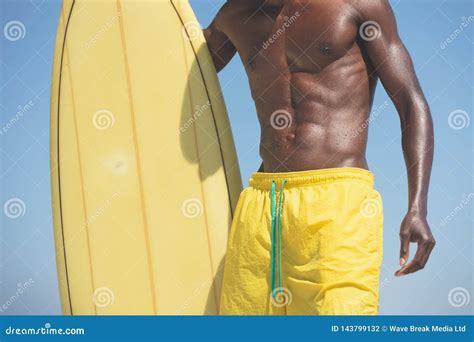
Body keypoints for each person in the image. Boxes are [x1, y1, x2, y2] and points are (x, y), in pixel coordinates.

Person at [204, 0, 435, 315]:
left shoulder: (359, 5)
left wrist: (417, 207)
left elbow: (411, 102)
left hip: (337, 201)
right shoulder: (236, 13)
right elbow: (172, 58)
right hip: (261, 204)